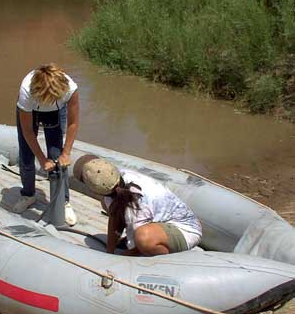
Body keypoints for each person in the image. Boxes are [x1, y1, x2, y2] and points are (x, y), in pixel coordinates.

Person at [74, 156, 202, 256]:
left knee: (143, 238)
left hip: (186, 230)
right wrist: (110, 250)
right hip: (156, 220)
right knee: (109, 206)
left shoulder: (135, 208)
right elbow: (114, 217)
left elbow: (133, 242)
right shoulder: (119, 178)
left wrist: (120, 258)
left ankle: (161, 259)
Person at [13, 63, 79, 226]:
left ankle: (64, 202)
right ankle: (28, 195)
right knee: (27, 156)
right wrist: (42, 160)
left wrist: (66, 153)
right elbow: (28, 131)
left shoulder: (70, 88)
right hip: (31, 110)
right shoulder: (26, 92)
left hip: (57, 112)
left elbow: (73, 123)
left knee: (56, 154)